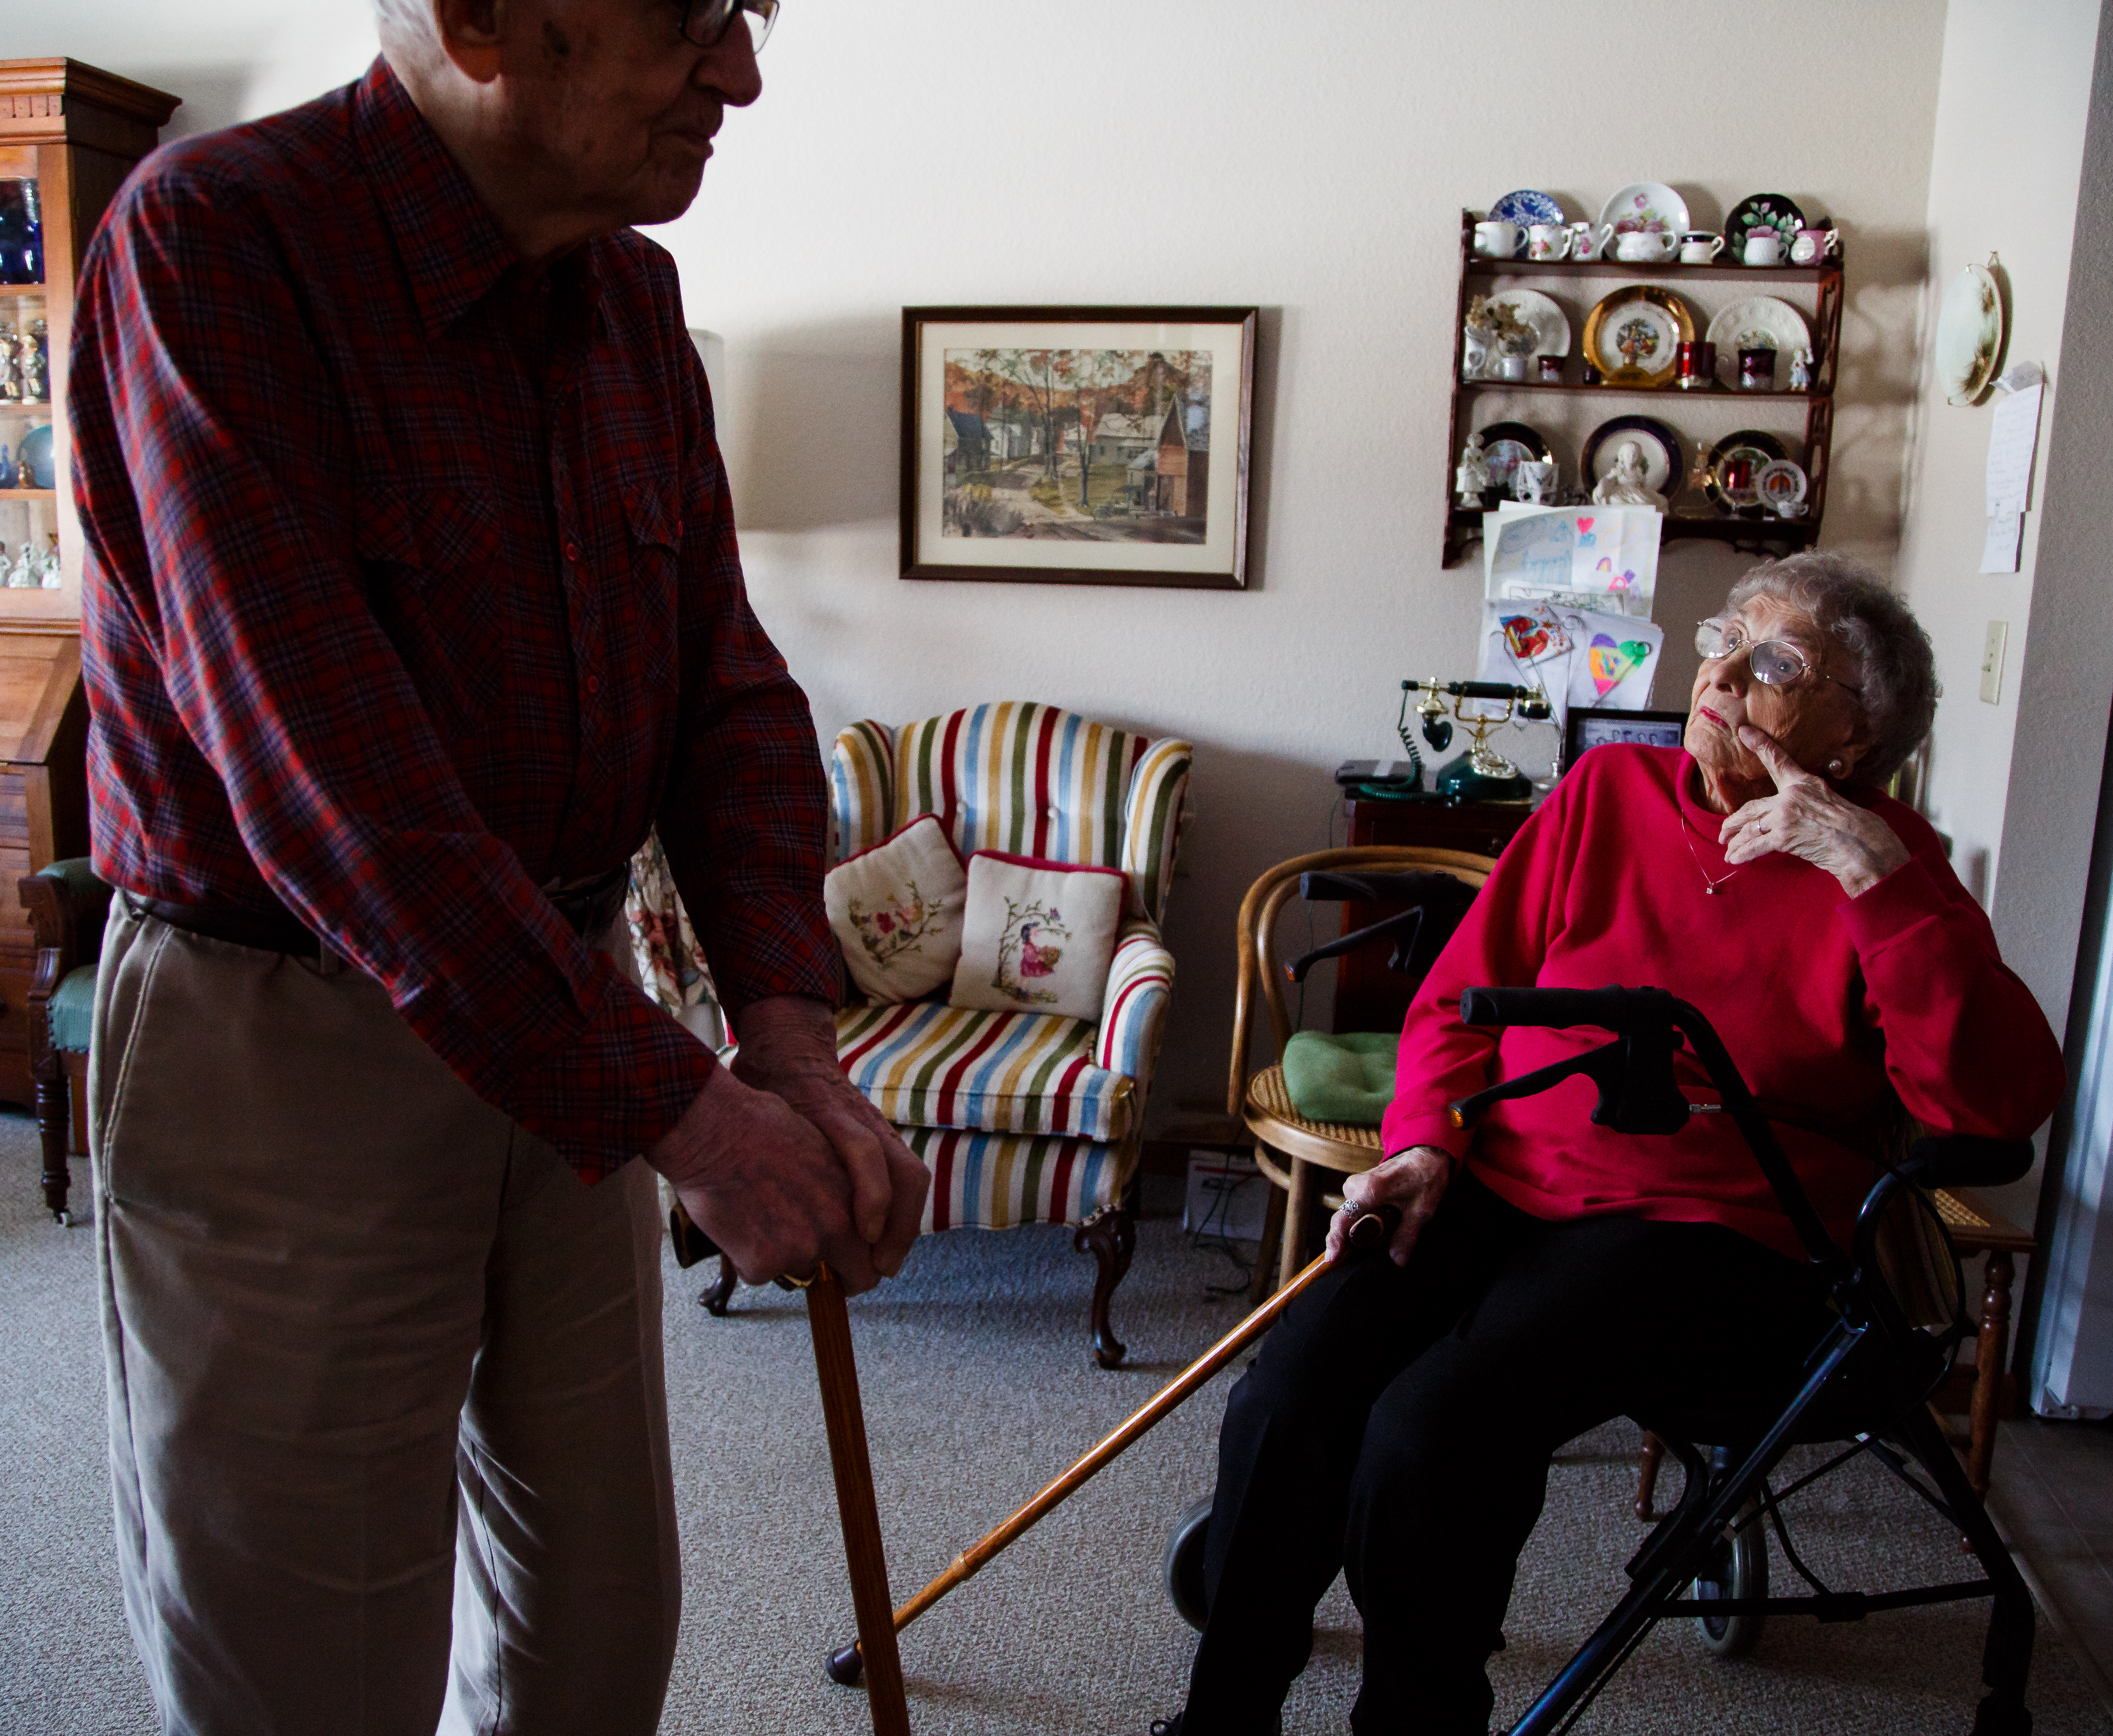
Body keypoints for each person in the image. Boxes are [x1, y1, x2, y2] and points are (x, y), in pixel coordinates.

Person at [67, 3, 929, 1731]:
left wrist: (788, 1041)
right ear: (476, 17)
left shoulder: (624, 292)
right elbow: (330, 785)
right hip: (281, 1029)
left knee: (594, 1623)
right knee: (302, 1667)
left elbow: (728, 687)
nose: (741, 76)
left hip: (570, 1007)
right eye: (689, 18)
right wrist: (689, 1120)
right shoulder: (213, 241)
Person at [1155, 552, 2063, 1736]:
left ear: (1854, 736)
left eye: (1774, 662)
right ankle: (1221, 1716)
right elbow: (1453, 1004)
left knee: (1431, 1429)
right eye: (1723, 639)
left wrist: (1870, 880)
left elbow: (1990, 1105)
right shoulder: (1606, 797)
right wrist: (1424, 1142)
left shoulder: (1889, 872)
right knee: (1293, 1387)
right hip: (1500, 1176)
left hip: (1711, 1227)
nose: (1720, 671)